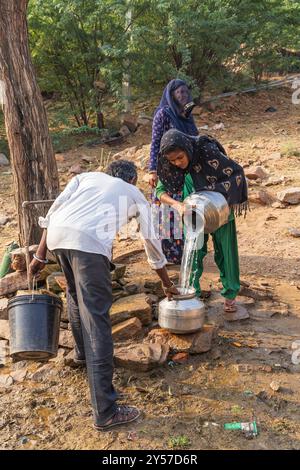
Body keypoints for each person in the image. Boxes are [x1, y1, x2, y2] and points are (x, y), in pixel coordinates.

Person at [29, 160, 178, 431]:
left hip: (59, 238)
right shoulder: (133, 193)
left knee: (75, 297)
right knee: (97, 320)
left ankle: (83, 356)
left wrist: (40, 255)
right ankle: (106, 412)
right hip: (88, 245)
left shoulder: (85, 178)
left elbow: (53, 212)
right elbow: (151, 242)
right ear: (131, 180)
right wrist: (166, 282)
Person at [157, 129, 249, 316]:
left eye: (180, 158)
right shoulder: (171, 168)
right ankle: (192, 297)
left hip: (220, 211)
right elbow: (160, 192)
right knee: (194, 254)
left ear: (187, 149)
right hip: (191, 213)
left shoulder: (208, 155)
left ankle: (230, 295)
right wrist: (178, 205)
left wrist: (225, 201)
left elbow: (235, 174)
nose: (177, 163)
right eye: (173, 160)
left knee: (226, 253)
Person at [148, 79, 199, 263]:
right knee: (167, 214)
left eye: (185, 92)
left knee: (184, 210)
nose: (183, 96)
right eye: (179, 93)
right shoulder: (163, 114)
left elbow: (194, 139)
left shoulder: (186, 114)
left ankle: (184, 252)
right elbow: (155, 143)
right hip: (166, 169)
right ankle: (167, 254)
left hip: (185, 169)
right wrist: (153, 170)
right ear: (171, 94)